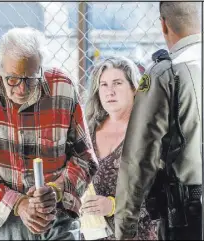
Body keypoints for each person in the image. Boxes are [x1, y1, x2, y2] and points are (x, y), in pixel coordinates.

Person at [0, 27, 98, 240]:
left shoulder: (62, 88)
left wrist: (56, 191)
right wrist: (20, 204)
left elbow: (85, 160)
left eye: (31, 79)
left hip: (56, 215)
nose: (22, 89)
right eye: (13, 79)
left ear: (40, 68)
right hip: (2, 217)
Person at [114, 2, 202, 240]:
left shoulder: (166, 74)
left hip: (188, 217)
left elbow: (139, 157)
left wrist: (124, 228)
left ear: (164, 25)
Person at [81, 57, 158, 240]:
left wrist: (113, 205)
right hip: (93, 234)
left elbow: (159, 190)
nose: (110, 91)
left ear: (134, 89)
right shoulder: (88, 131)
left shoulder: (148, 132)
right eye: (104, 85)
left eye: (118, 83)